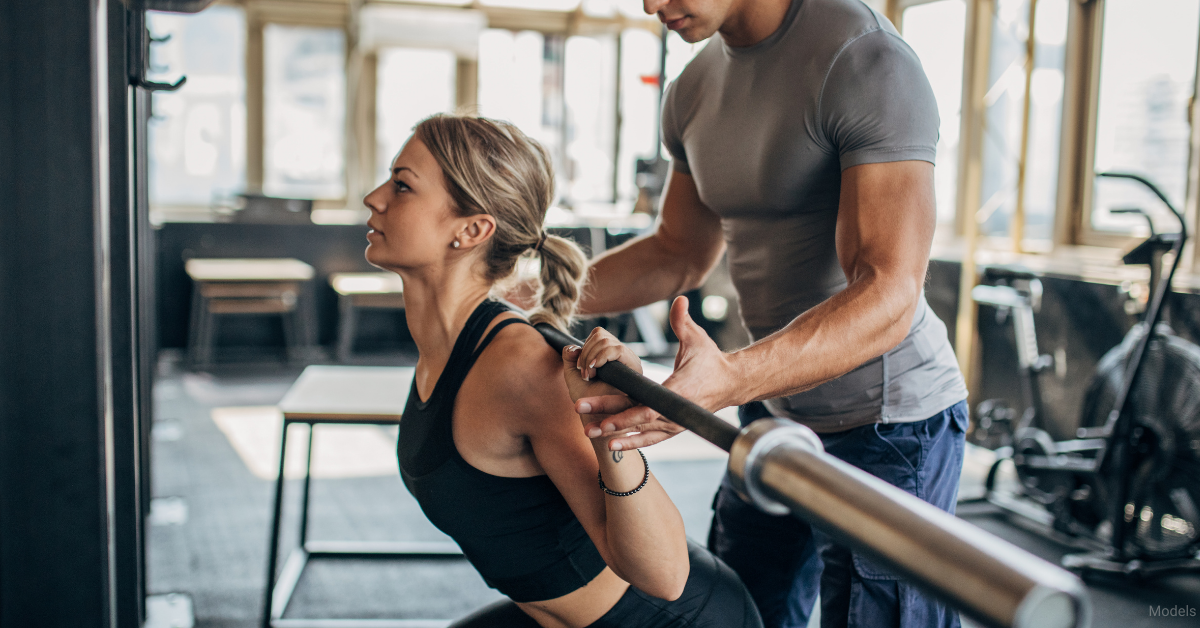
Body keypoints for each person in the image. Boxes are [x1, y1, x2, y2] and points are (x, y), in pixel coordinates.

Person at [569, 0, 970, 627]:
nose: (651, 4)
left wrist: (729, 380)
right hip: (777, 403)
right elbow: (679, 251)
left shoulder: (865, 59)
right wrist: (540, 290)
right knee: (739, 614)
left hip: (891, 419)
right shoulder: (693, 88)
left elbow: (890, 294)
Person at [364, 113, 763, 628]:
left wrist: (609, 434)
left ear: (472, 230)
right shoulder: (447, 347)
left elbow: (665, 577)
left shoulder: (519, 369)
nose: (375, 197)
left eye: (402, 186)